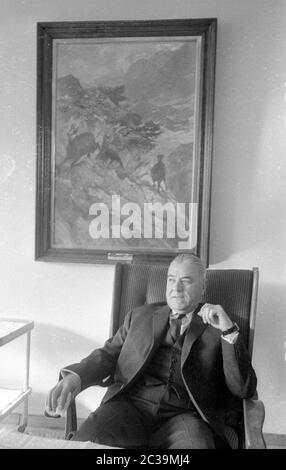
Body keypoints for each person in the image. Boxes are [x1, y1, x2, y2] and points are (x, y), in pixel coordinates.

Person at [46, 254, 257, 449]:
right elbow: (108, 355)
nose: (176, 287)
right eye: (171, 279)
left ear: (203, 286)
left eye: (186, 280)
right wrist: (76, 377)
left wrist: (228, 332)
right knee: (87, 441)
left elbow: (243, 389)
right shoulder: (139, 316)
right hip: (130, 408)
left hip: (185, 415)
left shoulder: (221, 326)